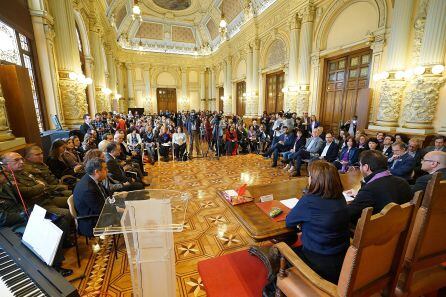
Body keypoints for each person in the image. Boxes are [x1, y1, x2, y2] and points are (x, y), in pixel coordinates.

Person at [0, 167, 73, 277]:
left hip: (24, 215)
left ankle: (55, 256)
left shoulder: (6, 186)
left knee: (60, 221)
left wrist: (27, 212)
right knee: (42, 232)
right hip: (10, 225)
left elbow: (20, 200)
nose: (5, 174)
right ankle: (54, 267)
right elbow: (2, 218)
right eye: (2, 173)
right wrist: (23, 216)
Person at [286, 160, 350, 283]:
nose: (308, 179)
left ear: (316, 180)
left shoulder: (309, 201)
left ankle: (271, 289)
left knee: (278, 251)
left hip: (316, 260)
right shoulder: (340, 197)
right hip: (341, 257)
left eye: (310, 176)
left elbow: (289, 222)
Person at [345, 150, 412, 225]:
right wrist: (359, 193)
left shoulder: (370, 189)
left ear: (366, 167)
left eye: (360, 165)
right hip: (398, 228)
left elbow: (348, 214)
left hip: (375, 232)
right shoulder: (403, 182)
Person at [73, 158, 108, 237]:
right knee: (127, 216)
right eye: (105, 169)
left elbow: (104, 197)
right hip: (92, 222)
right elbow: (101, 210)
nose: (107, 170)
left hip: (98, 213)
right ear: (96, 172)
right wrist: (118, 209)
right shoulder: (88, 189)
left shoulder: (91, 178)